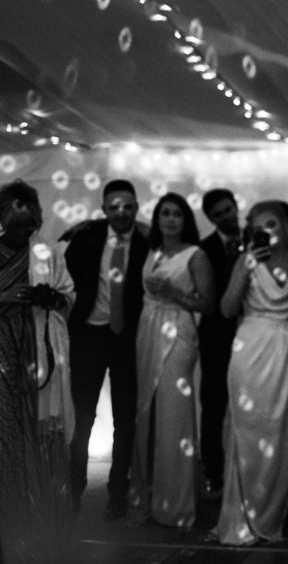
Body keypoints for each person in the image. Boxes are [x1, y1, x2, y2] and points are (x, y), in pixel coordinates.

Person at [214, 200, 288, 545]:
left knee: (285, 431)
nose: (268, 230)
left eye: (274, 222)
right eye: (260, 225)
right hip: (250, 348)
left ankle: (279, 512)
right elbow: (226, 309)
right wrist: (244, 267)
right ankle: (243, 513)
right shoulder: (248, 260)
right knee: (248, 429)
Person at [127, 193, 215, 528]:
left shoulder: (196, 255)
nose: (170, 219)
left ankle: (176, 505)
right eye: (165, 213)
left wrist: (172, 292)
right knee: (145, 412)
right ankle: (148, 494)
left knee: (173, 415)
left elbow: (208, 304)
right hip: (148, 329)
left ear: (186, 220)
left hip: (178, 331)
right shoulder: (152, 250)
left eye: (177, 213)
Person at [0, 180, 76, 562]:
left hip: (41, 357)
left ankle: (44, 533)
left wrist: (55, 299)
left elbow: (68, 295)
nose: (24, 232)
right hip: (3, 359)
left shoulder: (47, 252)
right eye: (15, 225)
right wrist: (4, 298)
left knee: (44, 440)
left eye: (31, 225)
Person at [64, 179, 148, 518]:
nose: (122, 212)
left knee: (125, 420)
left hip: (127, 337)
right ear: (103, 210)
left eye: (128, 206)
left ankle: (117, 494)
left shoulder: (146, 242)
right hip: (88, 335)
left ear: (137, 207)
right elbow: (64, 277)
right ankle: (74, 492)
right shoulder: (84, 238)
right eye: (114, 207)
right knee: (82, 417)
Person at [196, 188, 242, 498]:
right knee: (213, 407)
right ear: (211, 219)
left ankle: (247, 472)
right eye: (218, 214)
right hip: (215, 339)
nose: (226, 216)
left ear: (235, 207)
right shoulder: (204, 249)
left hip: (256, 335)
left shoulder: (259, 237)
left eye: (228, 210)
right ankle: (213, 473)